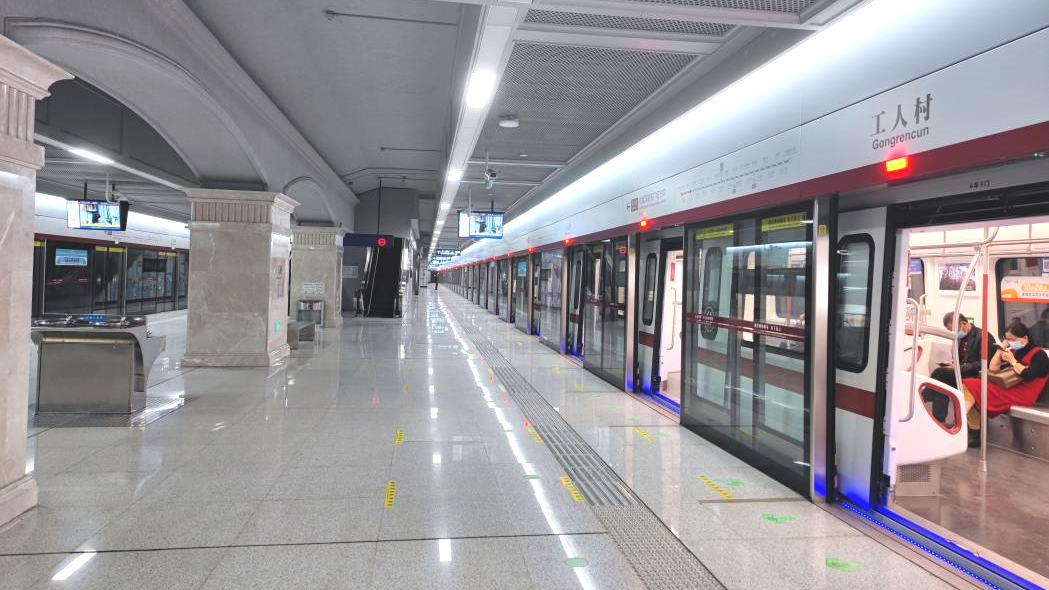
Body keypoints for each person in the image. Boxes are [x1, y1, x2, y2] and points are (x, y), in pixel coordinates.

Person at [961, 322, 1049, 447]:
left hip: (1024, 394)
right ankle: (968, 425)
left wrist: (1012, 361)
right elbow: (993, 368)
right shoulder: (1014, 351)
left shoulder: (1039, 355)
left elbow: (1028, 375)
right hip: (1009, 388)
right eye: (1008, 340)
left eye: (1013, 339)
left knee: (973, 387)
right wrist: (1000, 349)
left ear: (1025, 338)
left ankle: (965, 423)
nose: (1011, 343)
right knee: (971, 385)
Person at [926, 313, 997, 421]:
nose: (953, 334)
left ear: (963, 324)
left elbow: (984, 363)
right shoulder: (959, 338)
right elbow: (958, 357)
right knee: (941, 386)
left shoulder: (984, 336)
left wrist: (960, 367)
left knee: (939, 373)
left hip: (975, 375)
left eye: (954, 330)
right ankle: (939, 421)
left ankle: (925, 396)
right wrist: (954, 364)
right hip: (962, 373)